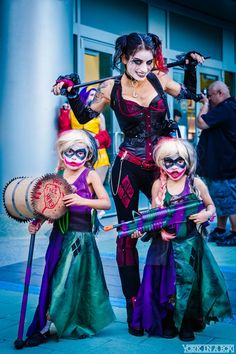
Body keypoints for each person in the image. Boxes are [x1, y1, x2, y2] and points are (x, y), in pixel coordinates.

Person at [52, 32, 205, 332]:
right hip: (127, 166)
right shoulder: (110, 86)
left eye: (148, 61)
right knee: (127, 236)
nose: (144, 68)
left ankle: (174, 303)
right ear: (123, 58)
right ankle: (135, 306)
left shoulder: (160, 79)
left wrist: (189, 65)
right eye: (136, 61)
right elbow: (83, 117)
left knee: (174, 229)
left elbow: (190, 94)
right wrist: (70, 90)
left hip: (161, 168)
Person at [129, 137, 232, 341]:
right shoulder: (159, 185)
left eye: (179, 161)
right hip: (163, 248)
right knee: (165, 285)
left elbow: (211, 206)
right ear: (161, 162)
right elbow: (153, 216)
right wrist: (146, 230)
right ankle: (168, 321)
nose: (175, 166)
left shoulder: (196, 183)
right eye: (169, 161)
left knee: (189, 285)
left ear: (187, 162)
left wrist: (206, 215)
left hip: (190, 246)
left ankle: (187, 323)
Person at [24, 129, 115, 347]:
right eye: (69, 153)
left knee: (76, 282)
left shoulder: (91, 175)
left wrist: (82, 200)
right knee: (54, 280)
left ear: (88, 155)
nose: (74, 158)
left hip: (81, 240)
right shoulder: (58, 176)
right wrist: (37, 222)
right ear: (62, 154)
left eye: (80, 153)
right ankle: (45, 325)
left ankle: (74, 320)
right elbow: (50, 207)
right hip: (59, 238)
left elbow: (105, 203)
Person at [196, 81, 236, 246]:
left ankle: (234, 233)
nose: (209, 99)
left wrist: (204, 105)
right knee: (220, 199)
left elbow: (201, 123)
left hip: (223, 166)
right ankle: (220, 229)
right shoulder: (229, 107)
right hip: (222, 164)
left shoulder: (225, 108)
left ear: (220, 93)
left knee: (228, 201)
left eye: (210, 96)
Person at [70, 86, 111, 184]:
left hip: (99, 155)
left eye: (96, 95)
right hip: (78, 153)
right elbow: (65, 131)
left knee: (97, 187)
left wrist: (96, 141)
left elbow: (105, 136)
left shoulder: (99, 115)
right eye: (92, 95)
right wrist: (63, 113)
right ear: (85, 95)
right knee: (79, 187)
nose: (94, 97)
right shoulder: (71, 113)